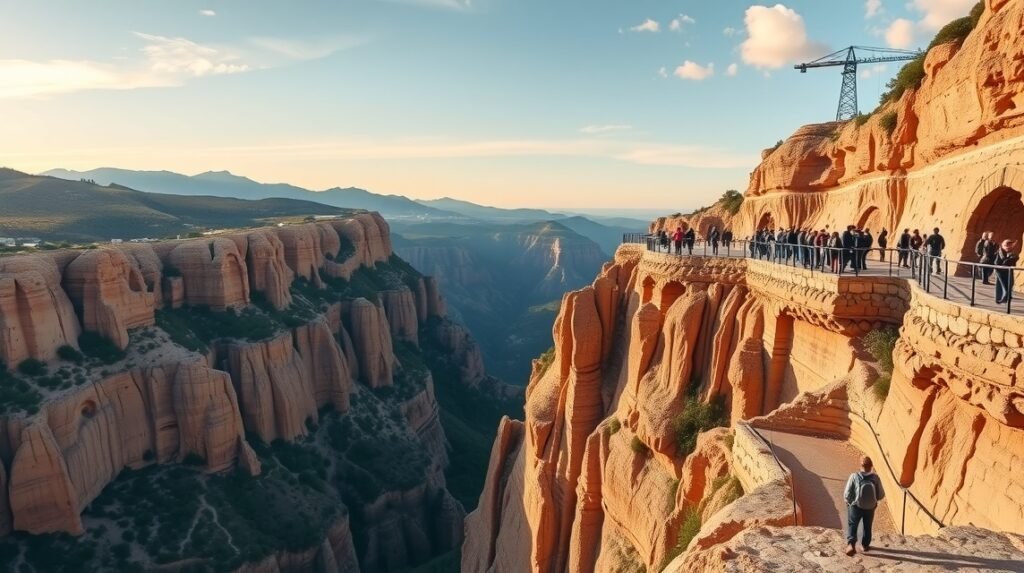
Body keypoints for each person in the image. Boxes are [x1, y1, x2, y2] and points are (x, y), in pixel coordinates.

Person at [844, 456, 885, 556]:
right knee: (867, 525)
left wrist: (849, 502)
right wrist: (873, 501)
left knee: (853, 524)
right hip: (870, 507)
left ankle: (851, 545)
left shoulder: (854, 476)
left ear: (860, 466)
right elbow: (881, 495)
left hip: (856, 506)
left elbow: (847, 494)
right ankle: (865, 545)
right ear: (871, 466)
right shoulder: (875, 478)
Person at [995, 239, 1019, 305]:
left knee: (1009, 284)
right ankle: (1000, 299)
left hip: (1008, 270)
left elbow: (1013, 260)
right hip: (1000, 271)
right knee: (1002, 285)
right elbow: (999, 262)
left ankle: (1005, 298)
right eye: (1006, 245)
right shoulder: (999, 252)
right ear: (1003, 245)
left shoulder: (1012, 253)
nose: (1008, 247)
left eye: (1009, 245)